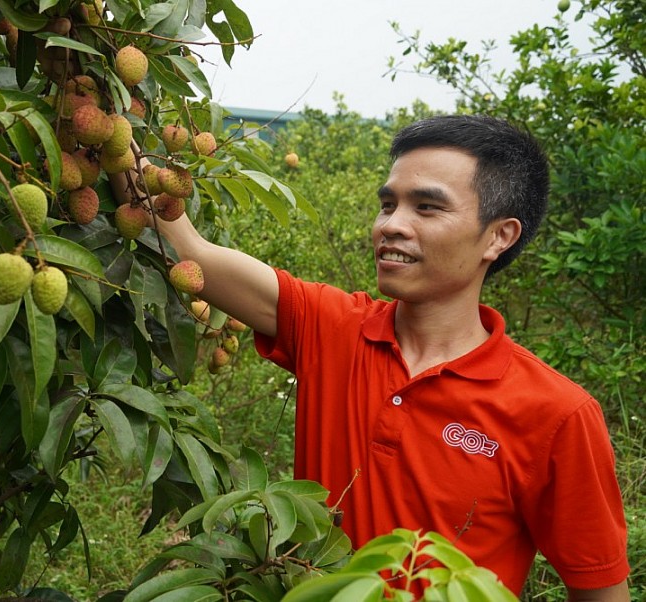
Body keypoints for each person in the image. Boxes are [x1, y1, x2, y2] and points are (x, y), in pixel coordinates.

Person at [113, 115, 630, 599]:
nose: (391, 225)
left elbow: (600, 589)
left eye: (426, 207)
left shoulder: (557, 414)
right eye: (388, 204)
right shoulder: (331, 328)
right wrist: (103, 102)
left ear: (499, 236)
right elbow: (189, 254)